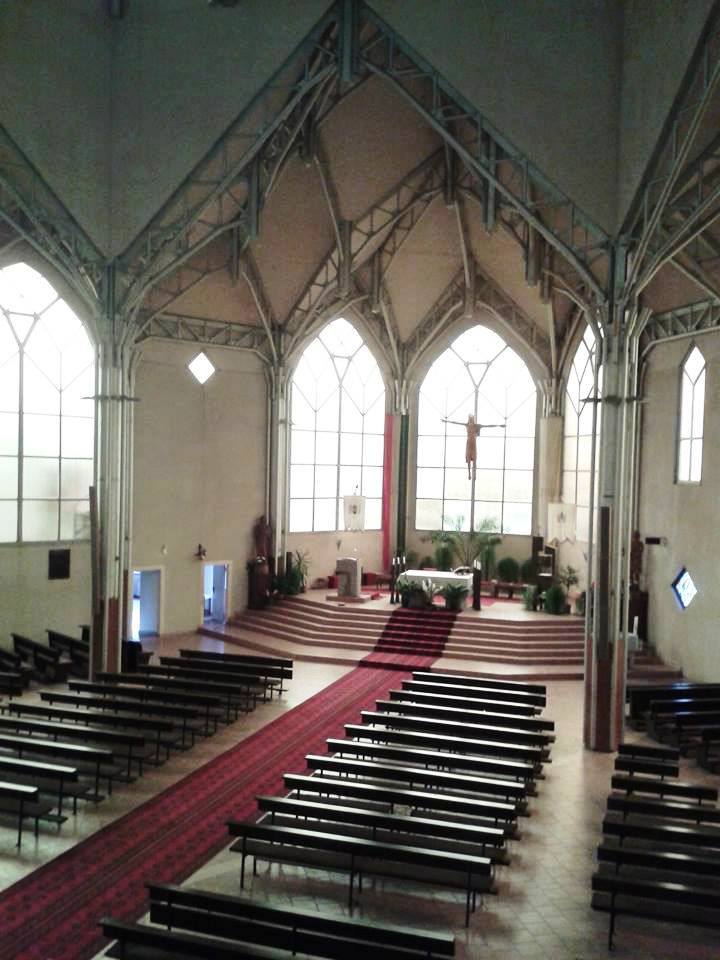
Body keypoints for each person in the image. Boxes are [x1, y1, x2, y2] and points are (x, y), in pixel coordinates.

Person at [443, 414, 504, 478]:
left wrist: (499, 425)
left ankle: (474, 474)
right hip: (469, 443)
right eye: (470, 419)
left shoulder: (477, 426)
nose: (470, 421)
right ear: (468, 419)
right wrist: (446, 421)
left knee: (474, 459)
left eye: (471, 419)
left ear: (473, 420)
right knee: (468, 458)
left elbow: (488, 426)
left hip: (473, 443)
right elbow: (456, 422)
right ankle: (469, 474)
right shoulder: (467, 425)